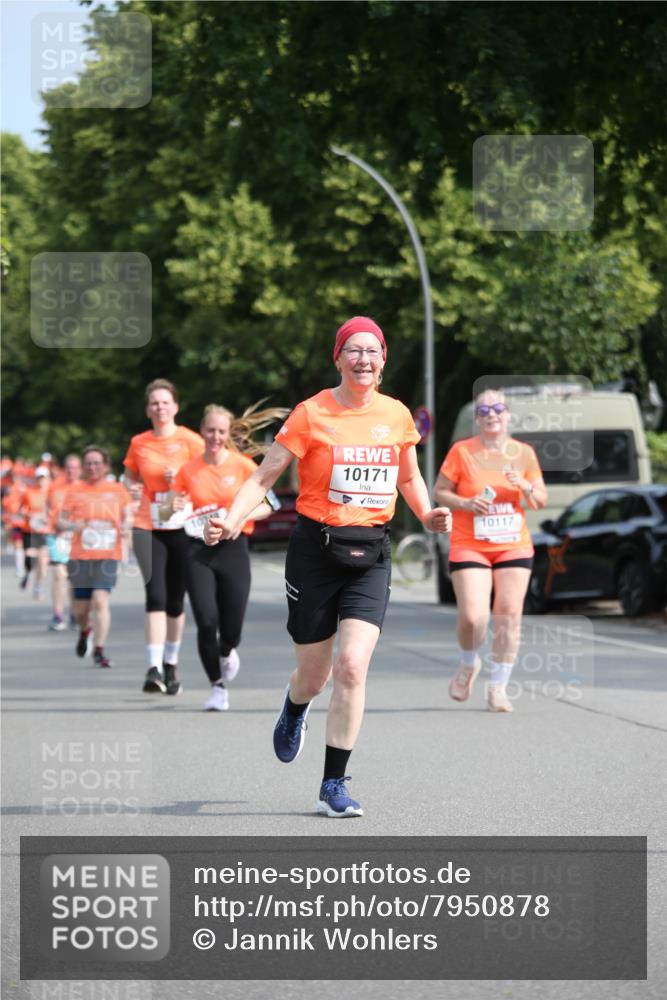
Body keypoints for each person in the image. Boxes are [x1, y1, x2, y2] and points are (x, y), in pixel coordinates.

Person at [205, 316, 452, 817]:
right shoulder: (311, 413)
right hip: (315, 552)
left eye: (373, 351)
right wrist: (232, 519)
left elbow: (408, 477)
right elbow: (264, 477)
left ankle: (333, 784)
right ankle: (295, 707)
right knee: (314, 675)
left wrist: (427, 514)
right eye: (354, 351)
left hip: (372, 554)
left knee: (353, 667)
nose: (364, 359)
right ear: (338, 358)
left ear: (384, 361)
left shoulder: (397, 415)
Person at [160, 402, 287, 709]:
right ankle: (217, 687)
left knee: (231, 626)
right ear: (202, 432)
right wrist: (170, 505)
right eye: (210, 430)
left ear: (228, 433)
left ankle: (228, 649)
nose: (215, 436)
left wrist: (239, 517)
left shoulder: (243, 465)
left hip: (233, 549)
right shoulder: (188, 470)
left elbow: (271, 505)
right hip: (198, 549)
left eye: (221, 431)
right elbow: (165, 512)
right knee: (206, 619)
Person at [434, 388, 547, 712]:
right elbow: (440, 491)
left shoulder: (523, 453)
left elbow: (539, 499)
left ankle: (498, 687)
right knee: (473, 617)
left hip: (513, 543)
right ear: (477, 418)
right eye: (484, 411)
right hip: (470, 544)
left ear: (508, 414)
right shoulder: (462, 452)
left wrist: (523, 484)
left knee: (509, 615)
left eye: (497, 408)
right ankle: (469, 662)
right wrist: (466, 503)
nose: (491, 414)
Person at [122, 379, 204, 695]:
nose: (160, 407)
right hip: (147, 524)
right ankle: (153, 667)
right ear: (147, 409)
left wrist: (183, 478)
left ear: (175, 407)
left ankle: (171, 663)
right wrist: (130, 488)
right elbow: (128, 477)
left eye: (165, 402)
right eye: (154, 403)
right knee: (155, 595)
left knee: (174, 599)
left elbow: (203, 477)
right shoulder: (139, 442)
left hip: (182, 526)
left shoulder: (190, 441)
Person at [58, 446, 132, 668]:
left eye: (96, 463)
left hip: (108, 555)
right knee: (81, 609)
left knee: (100, 601)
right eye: (88, 463)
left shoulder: (118, 490)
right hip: (80, 556)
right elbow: (60, 521)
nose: (92, 467)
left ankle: (99, 650)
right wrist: (73, 525)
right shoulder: (74, 490)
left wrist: (127, 527)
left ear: (106, 466)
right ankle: (84, 631)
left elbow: (128, 516)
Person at [46, 453, 82, 630]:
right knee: (60, 575)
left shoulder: (85, 488)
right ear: (64, 469)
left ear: (80, 470)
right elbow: (50, 509)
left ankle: (75, 614)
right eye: (69, 467)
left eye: (75, 467)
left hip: (77, 537)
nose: (71, 471)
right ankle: (58, 615)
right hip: (58, 535)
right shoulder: (55, 487)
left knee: (74, 577)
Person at [19, 466, 52, 599]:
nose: (41, 481)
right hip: (29, 529)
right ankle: (28, 573)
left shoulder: (51, 493)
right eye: (39, 478)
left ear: (48, 479)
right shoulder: (28, 492)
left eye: (43, 478)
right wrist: (30, 514)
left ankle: (38, 586)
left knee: (43, 562)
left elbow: (56, 511)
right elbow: (22, 510)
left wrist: (47, 516)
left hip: (44, 530)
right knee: (30, 558)